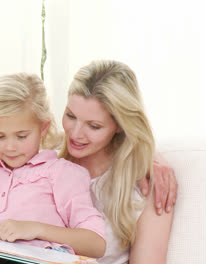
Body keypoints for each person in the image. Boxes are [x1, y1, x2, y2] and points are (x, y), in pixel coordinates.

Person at [0, 73, 107, 264]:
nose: (10, 147)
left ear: (44, 128)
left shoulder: (62, 173)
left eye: (22, 136)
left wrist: (36, 229)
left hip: (44, 259)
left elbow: (96, 243)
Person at [59, 60, 174, 263]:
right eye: (70, 116)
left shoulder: (144, 187)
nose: (75, 133)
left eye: (94, 126)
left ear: (120, 125)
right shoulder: (42, 156)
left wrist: (150, 155)